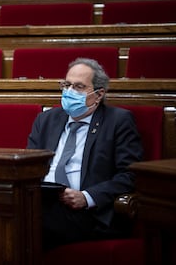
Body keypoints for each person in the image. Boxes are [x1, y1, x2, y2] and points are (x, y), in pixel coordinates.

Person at [27, 57, 143, 251]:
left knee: (28, 223)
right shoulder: (46, 120)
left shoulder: (118, 121)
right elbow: (28, 166)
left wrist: (87, 197)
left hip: (89, 214)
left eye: (79, 86)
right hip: (44, 202)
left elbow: (130, 175)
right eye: (67, 84)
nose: (70, 91)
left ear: (98, 95)